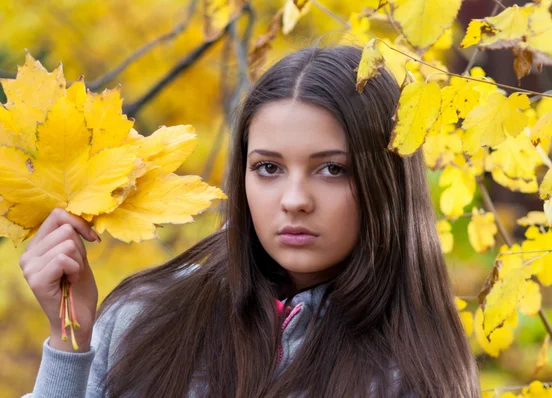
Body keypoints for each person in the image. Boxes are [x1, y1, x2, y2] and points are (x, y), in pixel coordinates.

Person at [20, 44, 480, 397]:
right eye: (269, 168)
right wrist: (69, 343)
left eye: (332, 169)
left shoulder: (414, 370)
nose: (295, 200)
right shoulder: (145, 318)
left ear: (386, 182)